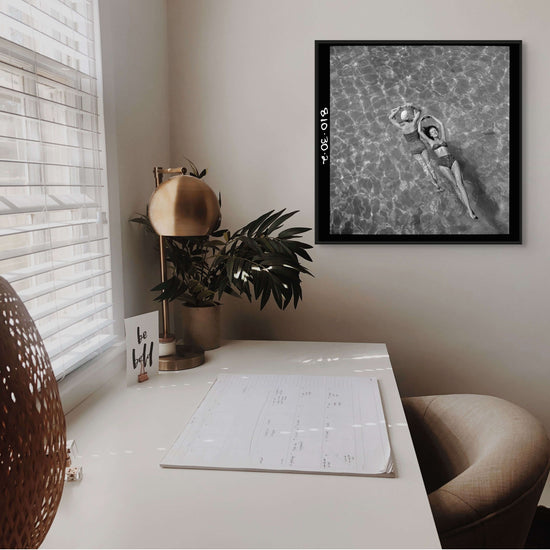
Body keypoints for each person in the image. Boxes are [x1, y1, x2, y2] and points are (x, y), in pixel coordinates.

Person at [418, 115, 478, 220]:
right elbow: (419, 131)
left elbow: (441, 124)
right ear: (430, 135)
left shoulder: (443, 138)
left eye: (435, 131)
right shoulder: (430, 142)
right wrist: (420, 120)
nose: (434, 132)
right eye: (431, 132)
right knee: (455, 185)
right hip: (442, 164)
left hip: (452, 160)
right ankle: (468, 209)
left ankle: (469, 210)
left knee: (461, 184)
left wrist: (432, 117)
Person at [388, 104, 442, 191]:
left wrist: (397, 109)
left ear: (402, 119)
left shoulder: (401, 126)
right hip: (420, 145)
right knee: (429, 164)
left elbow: (391, 118)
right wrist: (412, 105)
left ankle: (436, 186)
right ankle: (438, 181)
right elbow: (419, 110)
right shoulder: (413, 122)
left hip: (413, 149)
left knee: (424, 167)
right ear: (408, 116)